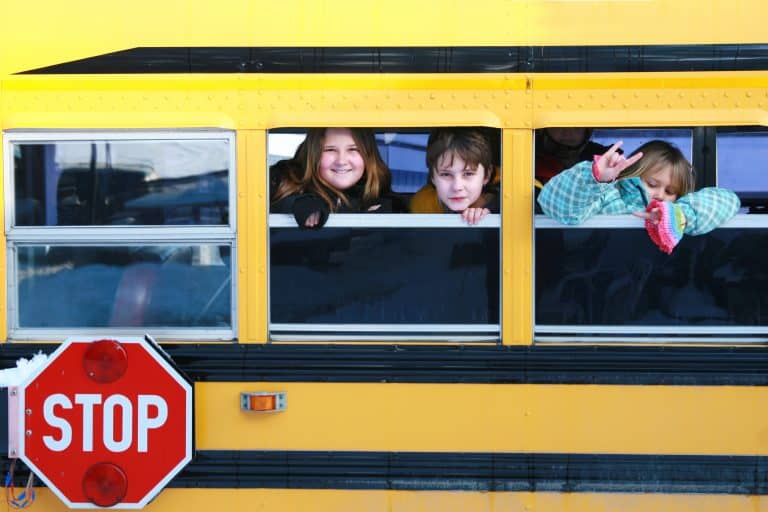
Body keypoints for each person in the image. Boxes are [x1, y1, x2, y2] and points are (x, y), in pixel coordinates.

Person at [537, 139, 740, 253]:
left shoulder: (675, 219)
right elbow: (557, 205)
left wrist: (679, 216)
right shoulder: (610, 197)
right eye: (652, 184)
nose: (660, 195)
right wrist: (594, 179)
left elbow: (728, 200)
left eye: (670, 191)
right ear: (634, 174)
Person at [271, 128, 401, 228]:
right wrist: (299, 203)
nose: (341, 161)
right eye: (330, 150)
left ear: (368, 156)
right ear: (313, 155)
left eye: (353, 149)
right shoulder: (286, 182)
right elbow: (269, 203)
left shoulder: (382, 199)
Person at [409, 128, 499, 225]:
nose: (457, 187)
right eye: (446, 174)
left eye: (468, 174)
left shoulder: (506, 203)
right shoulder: (424, 202)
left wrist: (489, 215)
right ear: (432, 177)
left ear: (486, 175)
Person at [535, 128, 615, 186]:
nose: (568, 133)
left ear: (587, 131)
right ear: (543, 130)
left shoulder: (608, 162)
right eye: (558, 126)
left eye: (576, 127)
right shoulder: (529, 164)